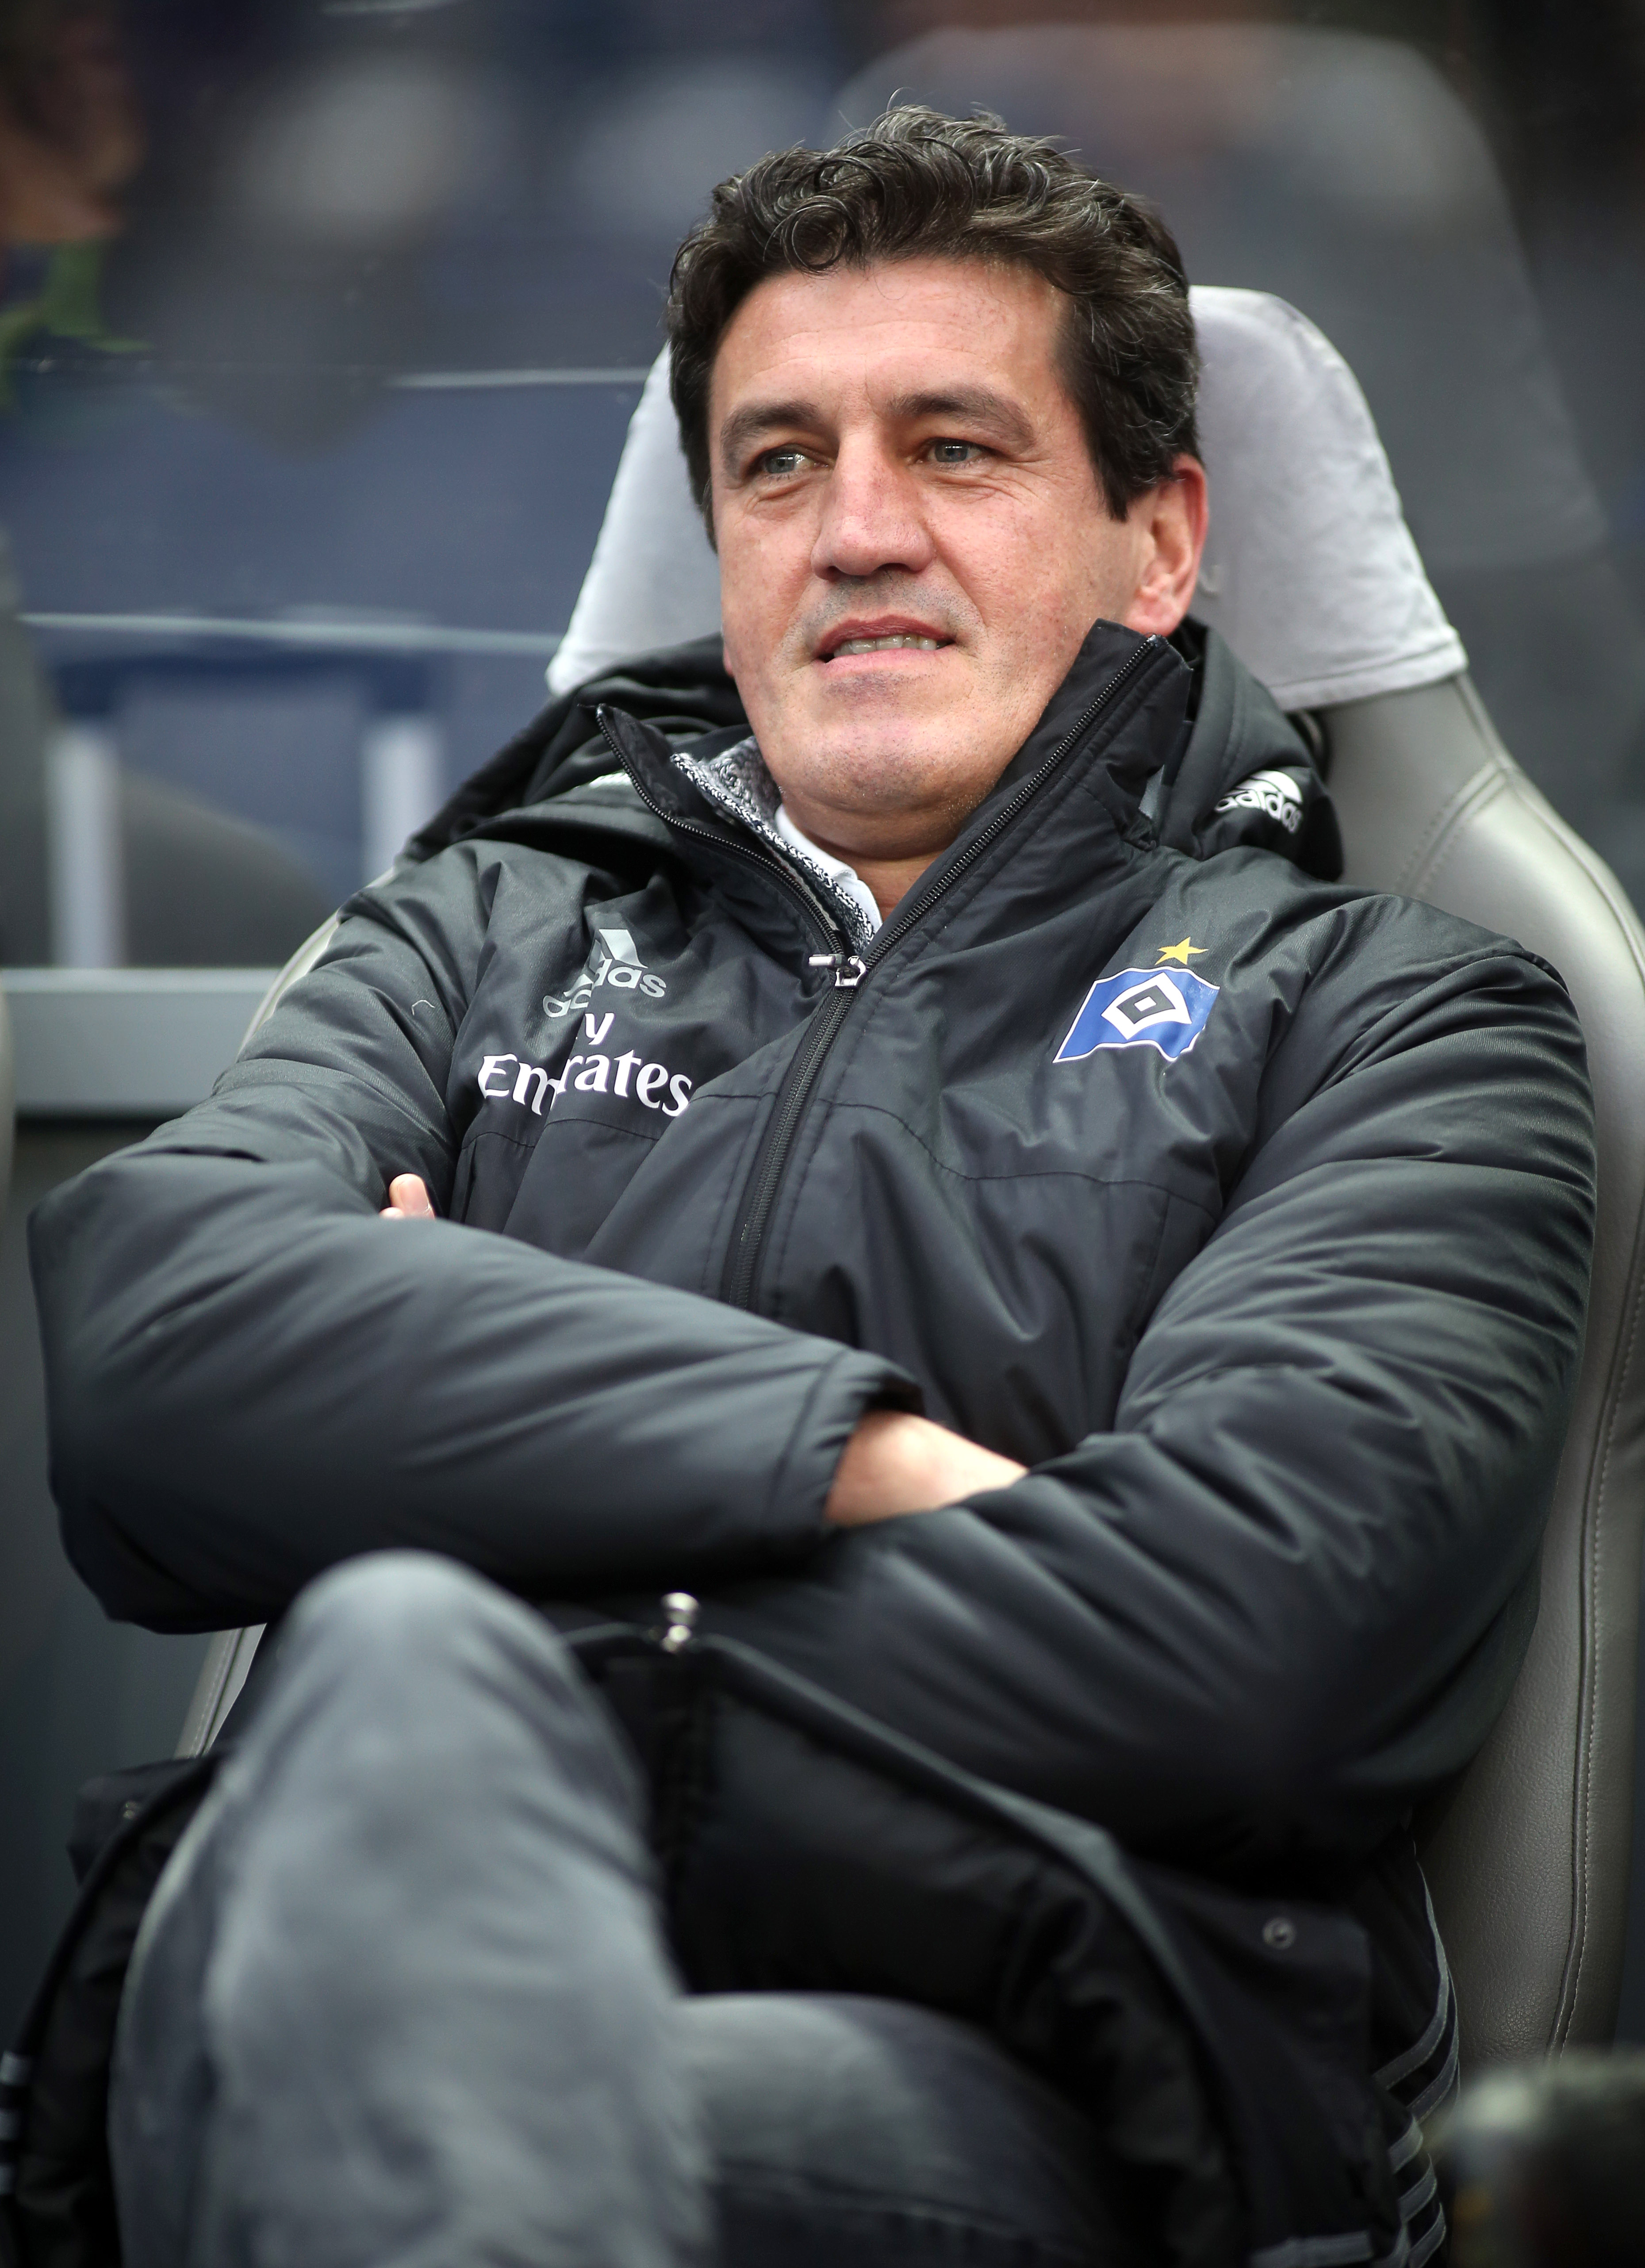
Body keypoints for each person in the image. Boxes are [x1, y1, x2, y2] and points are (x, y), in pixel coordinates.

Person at [28, 107, 1594, 2268]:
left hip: (1050, 2062)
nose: (858, 529)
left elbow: (1246, 1638)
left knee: (395, 1688)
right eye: (779, 464)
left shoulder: (1397, 1012)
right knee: (380, 1894)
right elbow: (153, 1353)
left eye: (955, 449)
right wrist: (882, 1463)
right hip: (383, 1940)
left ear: (1159, 543)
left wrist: (468, 1466)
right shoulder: (477, 930)